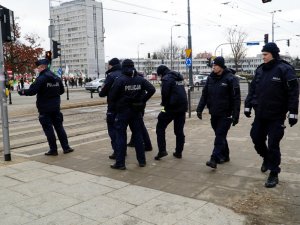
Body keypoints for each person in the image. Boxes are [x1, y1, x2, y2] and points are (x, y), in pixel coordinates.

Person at [244, 42, 299, 188]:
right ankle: (267, 158)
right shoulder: (260, 70)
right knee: (256, 137)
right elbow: (253, 89)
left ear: (273, 54)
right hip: (260, 113)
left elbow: (293, 92)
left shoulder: (285, 69)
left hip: (276, 115)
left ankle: (274, 173)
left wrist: (293, 112)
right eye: (262, 54)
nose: (263, 57)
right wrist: (248, 105)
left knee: (273, 143)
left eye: (265, 54)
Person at [18, 58, 74, 156]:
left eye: (38, 68)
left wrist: (22, 92)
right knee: (59, 127)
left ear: (42, 67)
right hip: (56, 107)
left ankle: (53, 150)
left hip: (44, 108)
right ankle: (66, 147)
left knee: (49, 129)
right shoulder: (56, 77)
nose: (37, 70)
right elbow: (61, 91)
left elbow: (32, 91)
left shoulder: (41, 78)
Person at [109, 59, 156, 170]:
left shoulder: (120, 80)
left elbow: (112, 97)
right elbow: (152, 89)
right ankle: (142, 161)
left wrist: (117, 105)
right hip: (136, 111)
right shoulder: (140, 79)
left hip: (123, 112)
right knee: (138, 135)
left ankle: (120, 163)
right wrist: (142, 100)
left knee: (121, 136)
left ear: (123, 67)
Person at [196, 56, 241, 169]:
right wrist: (199, 109)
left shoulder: (231, 78)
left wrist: (236, 115)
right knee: (220, 135)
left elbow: (236, 98)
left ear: (221, 66)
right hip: (214, 113)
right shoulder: (210, 78)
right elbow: (205, 95)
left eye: (215, 65)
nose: (213, 67)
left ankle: (214, 158)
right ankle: (225, 156)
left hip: (226, 114)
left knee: (220, 135)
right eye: (213, 65)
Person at [154, 65, 188, 160]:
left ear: (161, 73)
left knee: (160, 126)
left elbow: (165, 94)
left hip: (170, 107)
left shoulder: (166, 78)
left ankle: (162, 150)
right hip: (182, 107)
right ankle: (178, 152)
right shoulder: (178, 76)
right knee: (179, 130)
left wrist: (164, 106)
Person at [99, 58, 122, 160]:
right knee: (121, 130)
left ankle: (117, 152)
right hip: (125, 107)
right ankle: (122, 150)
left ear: (111, 65)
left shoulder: (111, 76)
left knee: (112, 130)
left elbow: (102, 93)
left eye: (108, 65)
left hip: (113, 107)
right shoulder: (124, 73)